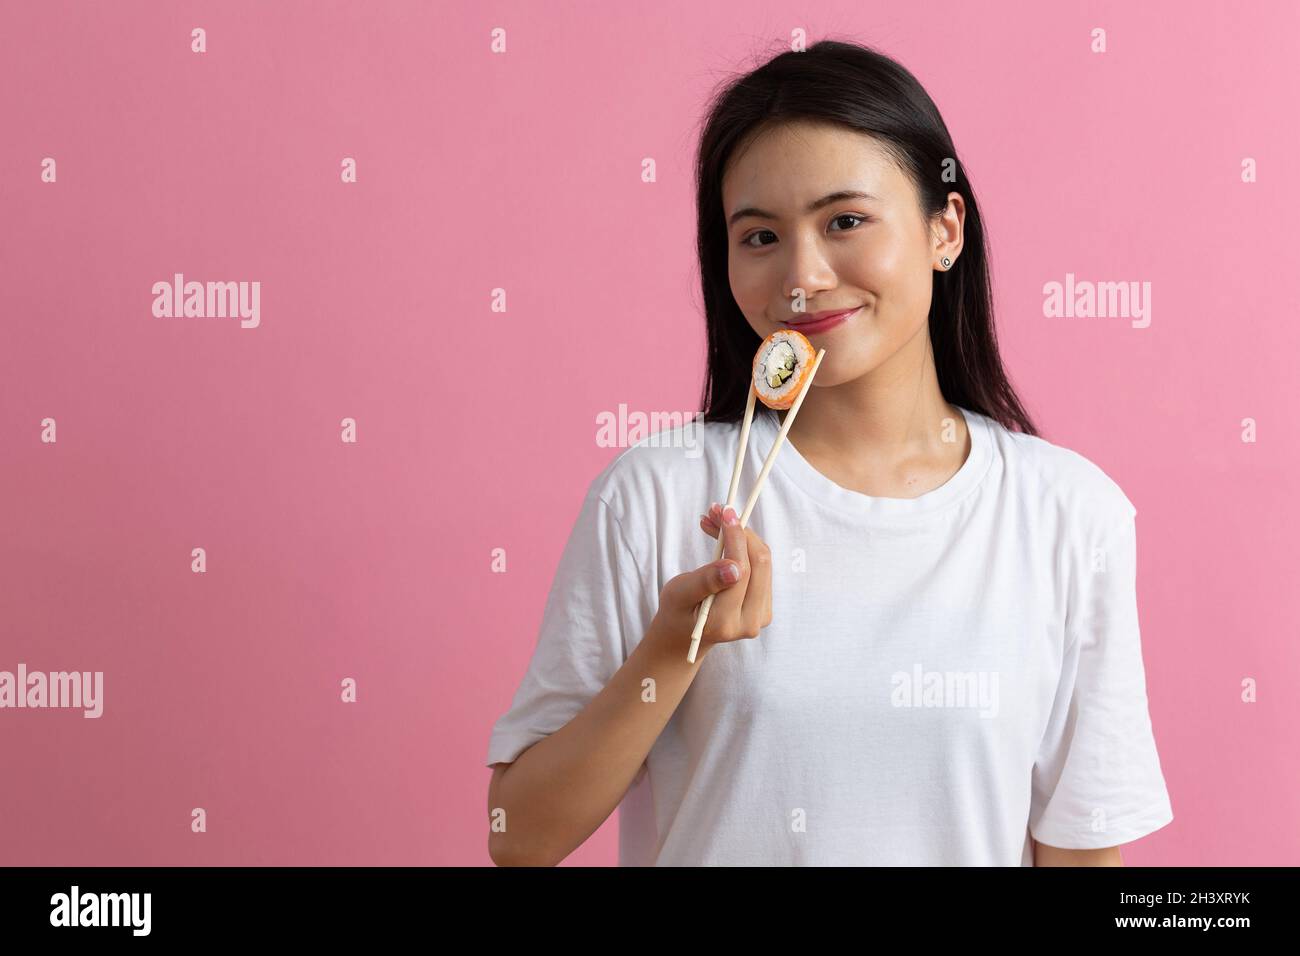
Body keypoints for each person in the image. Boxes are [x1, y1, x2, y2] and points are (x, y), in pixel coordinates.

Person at [485, 39, 1174, 866]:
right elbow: (516, 836)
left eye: (845, 220)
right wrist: (672, 652)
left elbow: (1079, 847)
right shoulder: (655, 495)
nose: (802, 277)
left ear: (944, 228)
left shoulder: (1070, 515)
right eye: (761, 236)